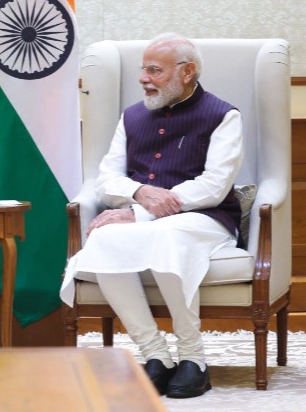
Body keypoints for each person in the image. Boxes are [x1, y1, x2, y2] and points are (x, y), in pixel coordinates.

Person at [60, 33, 243, 398]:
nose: (143, 78)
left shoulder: (223, 115)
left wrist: (140, 212)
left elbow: (214, 186)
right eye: (143, 69)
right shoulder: (131, 117)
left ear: (187, 72)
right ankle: (155, 354)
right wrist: (138, 192)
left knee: (168, 235)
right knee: (104, 238)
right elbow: (107, 178)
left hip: (206, 219)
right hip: (145, 214)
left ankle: (194, 357)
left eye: (154, 70)